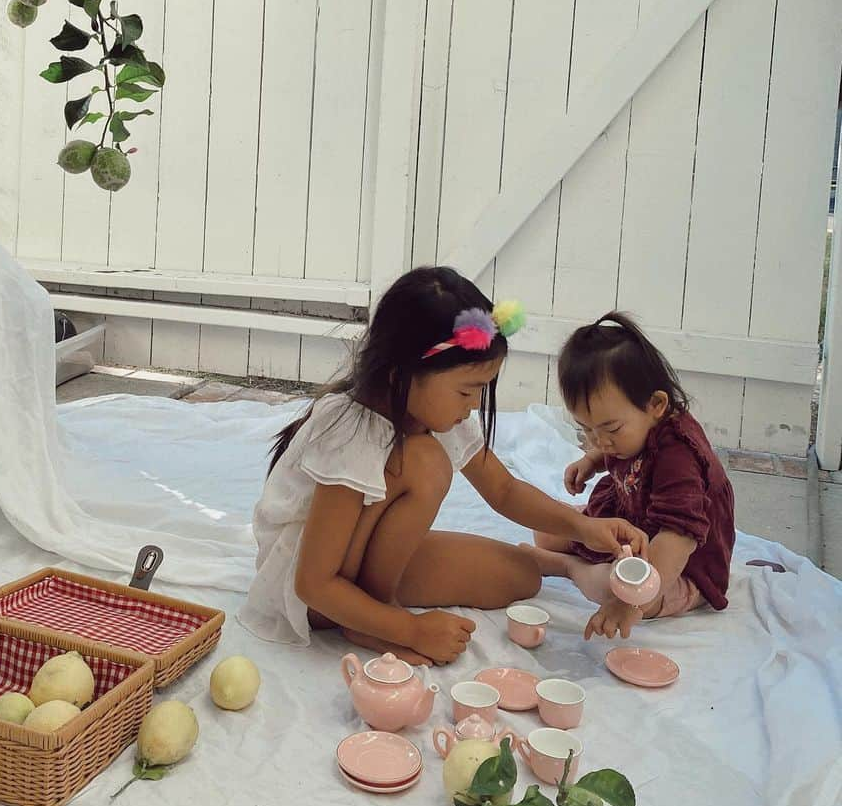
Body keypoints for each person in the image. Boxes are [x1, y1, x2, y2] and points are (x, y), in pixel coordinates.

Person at [237, 268, 648, 665]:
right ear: (402, 375)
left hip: (359, 563)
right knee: (426, 462)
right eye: (466, 391)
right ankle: (374, 618)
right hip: (308, 590)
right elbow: (313, 583)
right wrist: (408, 629)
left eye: (479, 391)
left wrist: (583, 527)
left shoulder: (429, 409)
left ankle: (385, 606)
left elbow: (503, 490)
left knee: (520, 577)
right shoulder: (350, 431)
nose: (472, 406)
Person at [522, 312, 735, 639]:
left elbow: (677, 538)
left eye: (610, 429)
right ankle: (565, 557)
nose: (600, 441)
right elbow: (619, 449)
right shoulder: (629, 430)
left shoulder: (679, 456)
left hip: (682, 563)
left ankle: (568, 568)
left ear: (656, 405)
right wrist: (593, 460)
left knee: (617, 588)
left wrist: (629, 602)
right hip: (633, 521)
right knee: (547, 531)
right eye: (587, 429)